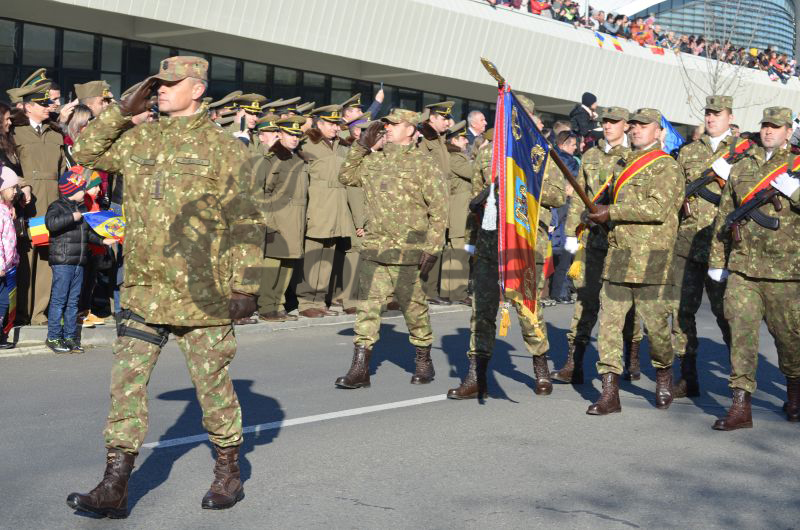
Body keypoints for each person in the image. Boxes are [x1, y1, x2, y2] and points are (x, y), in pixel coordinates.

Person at [66, 56, 265, 517]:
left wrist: (246, 286)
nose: (160, 90)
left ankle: (228, 472)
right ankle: (115, 484)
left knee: (211, 386)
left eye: (171, 84)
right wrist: (120, 112)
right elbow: (85, 153)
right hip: (143, 288)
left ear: (197, 89)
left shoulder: (224, 148)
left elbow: (247, 220)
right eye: (157, 84)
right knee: (126, 386)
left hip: (203, 293)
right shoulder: (141, 138)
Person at [448, 94, 565, 400]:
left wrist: (520, 185)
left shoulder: (540, 152)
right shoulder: (488, 152)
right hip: (491, 241)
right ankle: (476, 375)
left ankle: (540, 366)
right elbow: (476, 196)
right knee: (482, 309)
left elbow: (558, 195)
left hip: (526, 242)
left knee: (528, 308)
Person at [334, 108, 447, 388]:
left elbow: (439, 209)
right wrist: (361, 146)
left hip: (409, 250)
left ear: (410, 130)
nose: (388, 128)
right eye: (386, 124)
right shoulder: (374, 160)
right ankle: (360, 369)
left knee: (414, 310)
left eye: (395, 124)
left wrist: (432, 248)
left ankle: (423, 360)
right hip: (375, 248)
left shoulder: (424, 164)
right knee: (367, 309)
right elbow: (346, 176)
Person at [585, 108, 683, 415]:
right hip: (621, 252)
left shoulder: (667, 166)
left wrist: (612, 212)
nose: (636, 130)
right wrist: (595, 213)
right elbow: (610, 204)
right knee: (609, 324)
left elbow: (657, 208)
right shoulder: (621, 164)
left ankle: (664, 373)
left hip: (652, 256)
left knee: (656, 328)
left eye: (644, 126)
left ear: (658, 131)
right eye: (634, 126)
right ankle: (609, 392)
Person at [709, 106, 800, 430]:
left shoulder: (796, 165)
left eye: (776, 126)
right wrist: (717, 260)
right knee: (741, 336)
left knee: (789, 339)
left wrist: (795, 192)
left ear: (788, 131)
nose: (768, 131)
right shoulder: (744, 164)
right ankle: (740, 406)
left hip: (785, 272)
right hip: (743, 269)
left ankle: (794, 390)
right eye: (765, 126)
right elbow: (725, 214)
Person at [551, 106, 644, 384]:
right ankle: (574, 363)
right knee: (585, 299)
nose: (608, 126)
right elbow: (579, 196)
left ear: (626, 125)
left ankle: (632, 355)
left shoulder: (635, 158)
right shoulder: (591, 155)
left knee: (624, 304)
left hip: (622, 240)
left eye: (614, 121)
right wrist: (571, 232)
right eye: (605, 121)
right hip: (592, 240)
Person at [671, 95, 744, 398]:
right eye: (708, 113)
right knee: (681, 312)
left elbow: (750, 196)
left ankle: (740, 380)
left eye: (717, 113)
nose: (711, 118)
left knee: (727, 315)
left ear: (730, 116)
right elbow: (675, 193)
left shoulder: (743, 152)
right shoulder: (688, 152)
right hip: (687, 244)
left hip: (722, 246)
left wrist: (731, 180)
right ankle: (687, 376)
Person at [11, 72, 66, 326]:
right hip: (27, 203)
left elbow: (64, 171)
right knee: (25, 256)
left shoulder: (55, 134)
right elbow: (10, 166)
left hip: (51, 202)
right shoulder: (16, 133)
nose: (48, 107)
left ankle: (39, 313)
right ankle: (21, 312)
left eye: (48, 102)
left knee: (45, 257)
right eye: (42, 103)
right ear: (28, 106)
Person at [44, 168, 113, 354]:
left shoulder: (81, 209)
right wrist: (70, 217)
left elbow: (87, 234)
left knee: (73, 301)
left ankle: (70, 337)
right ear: (71, 190)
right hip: (63, 261)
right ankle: (53, 336)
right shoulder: (57, 206)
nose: (84, 191)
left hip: (79, 262)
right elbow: (51, 224)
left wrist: (103, 241)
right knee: (59, 300)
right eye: (82, 188)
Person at [296, 104, 351, 318]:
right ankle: (306, 302)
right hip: (317, 207)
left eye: (338, 124)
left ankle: (319, 301)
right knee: (313, 256)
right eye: (331, 124)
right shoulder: (306, 144)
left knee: (327, 255)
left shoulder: (341, 145)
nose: (336, 128)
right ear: (319, 124)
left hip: (337, 207)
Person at [257, 116, 308, 322]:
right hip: (277, 219)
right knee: (272, 265)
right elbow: (262, 191)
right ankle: (266, 306)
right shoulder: (273, 159)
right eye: (290, 134)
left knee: (288, 264)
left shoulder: (299, 159)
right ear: (279, 135)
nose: (295, 139)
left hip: (295, 220)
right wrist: (269, 220)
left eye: (297, 135)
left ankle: (278, 305)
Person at [417, 101, 454, 304]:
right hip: (429, 201)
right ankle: (418, 290)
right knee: (425, 246)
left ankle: (429, 291)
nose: (448, 122)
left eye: (448, 118)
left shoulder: (440, 140)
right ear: (432, 118)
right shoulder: (424, 141)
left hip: (442, 199)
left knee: (436, 245)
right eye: (444, 118)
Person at [442, 120, 472, 305]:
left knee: (452, 251)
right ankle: (458, 292)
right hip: (458, 210)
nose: (466, 141)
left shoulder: (455, 156)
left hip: (457, 209)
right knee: (458, 251)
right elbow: (473, 172)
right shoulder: (455, 158)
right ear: (453, 140)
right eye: (463, 138)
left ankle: (449, 290)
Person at [0, 165, 20, 349]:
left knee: (5, 301)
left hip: (7, 267)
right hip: (1, 267)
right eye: (12, 187)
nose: (15, 191)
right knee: (2, 301)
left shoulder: (6, 209)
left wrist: (13, 260)